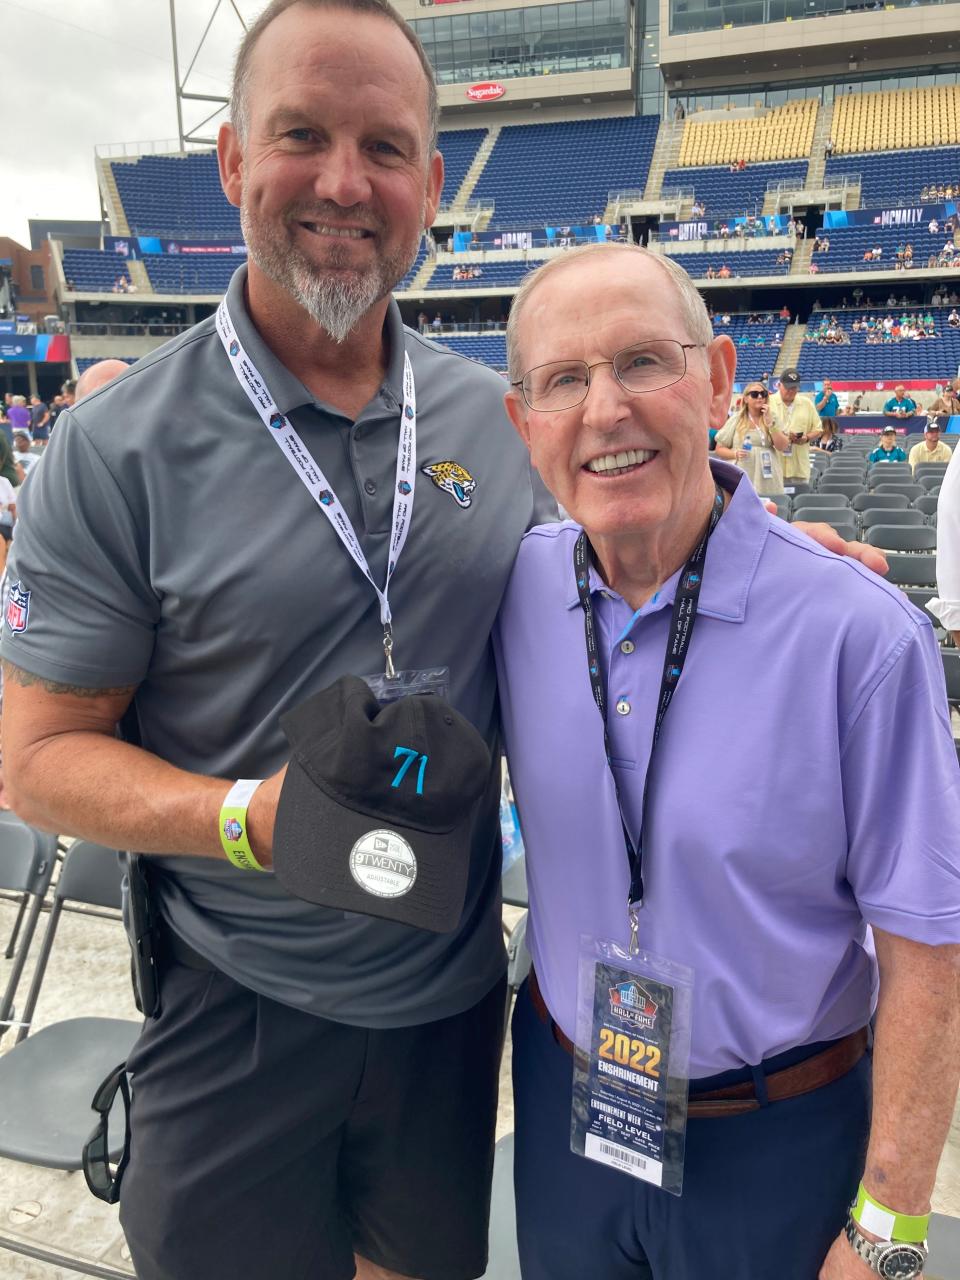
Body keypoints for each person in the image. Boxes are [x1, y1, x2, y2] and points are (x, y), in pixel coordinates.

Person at [0, 4, 545, 1278]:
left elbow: (658, 539)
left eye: (387, 147)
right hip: (234, 1004)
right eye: (303, 135)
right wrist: (249, 815)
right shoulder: (117, 445)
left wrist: (798, 563)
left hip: (448, 1010)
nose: (346, 184)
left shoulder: (504, 418)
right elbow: (34, 759)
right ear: (236, 161)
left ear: (431, 181)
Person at [494, 241, 960, 1280]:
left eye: (642, 362)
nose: (605, 408)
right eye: (564, 379)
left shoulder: (861, 637)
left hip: (778, 1137)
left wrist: (890, 1226)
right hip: (572, 1107)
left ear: (715, 379)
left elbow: (930, 948)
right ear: (526, 425)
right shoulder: (509, 591)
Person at [713, 382, 789, 496]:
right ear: (746, 398)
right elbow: (719, 449)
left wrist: (770, 423)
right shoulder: (736, 419)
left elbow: (782, 446)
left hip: (768, 475)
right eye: (754, 394)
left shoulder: (773, 417)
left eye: (763, 394)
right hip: (743, 472)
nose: (759, 397)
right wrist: (735, 454)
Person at [769, 367, 821, 487]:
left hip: (799, 467)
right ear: (779, 385)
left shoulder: (807, 403)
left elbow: (818, 429)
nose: (791, 391)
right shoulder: (768, 402)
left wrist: (806, 438)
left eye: (794, 387)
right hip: (774, 466)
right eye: (788, 387)